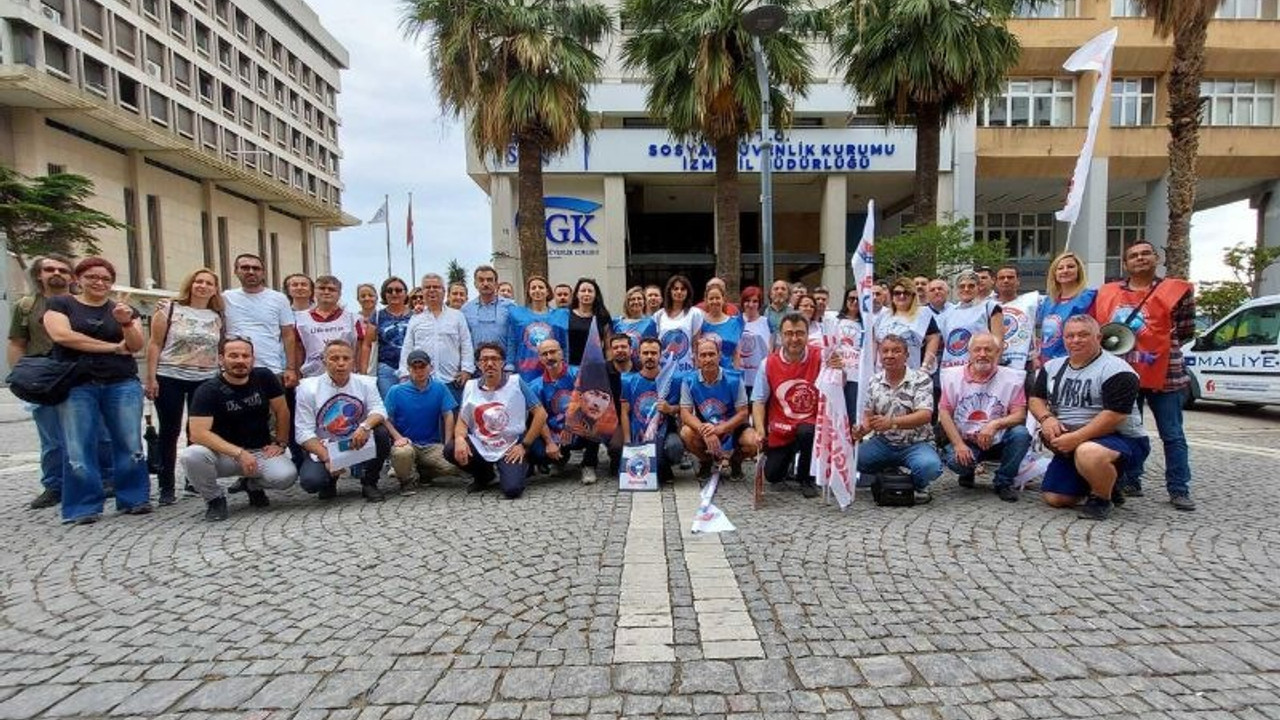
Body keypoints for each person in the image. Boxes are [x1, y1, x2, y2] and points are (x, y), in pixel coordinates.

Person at [42, 257, 151, 525]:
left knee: (130, 443)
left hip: (121, 381)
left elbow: (136, 344)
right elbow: (63, 336)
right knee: (78, 446)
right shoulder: (61, 304)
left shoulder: (124, 309)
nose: (99, 282)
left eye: (105, 278)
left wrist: (125, 323)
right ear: (77, 280)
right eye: (92, 277)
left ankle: (134, 498)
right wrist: (112, 347)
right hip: (77, 383)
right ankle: (83, 506)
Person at [1094, 239, 1196, 511]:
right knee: (1128, 429)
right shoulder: (1108, 292)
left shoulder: (1175, 291)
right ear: (1125, 264)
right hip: (1123, 373)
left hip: (1166, 372)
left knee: (1172, 433)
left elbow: (1186, 330)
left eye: (1146, 254)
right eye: (1134, 255)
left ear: (1156, 259)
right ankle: (1130, 479)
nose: (1140, 258)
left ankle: (1178, 487)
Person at [1028, 315, 1150, 520]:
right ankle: (1101, 481)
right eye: (1070, 336)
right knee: (1056, 498)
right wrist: (1046, 418)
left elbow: (1114, 416)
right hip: (1072, 442)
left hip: (1119, 439)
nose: (1076, 340)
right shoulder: (1052, 367)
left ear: (1098, 337)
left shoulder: (1117, 370)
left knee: (1089, 453)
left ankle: (1102, 498)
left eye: (1083, 335)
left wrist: (1076, 439)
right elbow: (1035, 399)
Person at [182, 337, 296, 521]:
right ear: (221, 359)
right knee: (191, 456)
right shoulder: (207, 390)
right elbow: (198, 433)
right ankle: (214, 498)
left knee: (286, 476)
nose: (240, 361)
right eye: (233, 356)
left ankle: (252, 484)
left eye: (245, 356)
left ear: (253, 358)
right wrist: (238, 453)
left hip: (259, 451)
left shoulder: (264, 377)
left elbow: (282, 410)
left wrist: (281, 442)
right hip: (222, 454)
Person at [144, 268, 225, 505]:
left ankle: (194, 480)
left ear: (214, 289)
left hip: (206, 378)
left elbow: (218, 348)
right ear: (190, 284)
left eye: (208, 283)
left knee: (198, 432)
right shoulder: (169, 309)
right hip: (170, 376)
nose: (202, 286)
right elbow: (154, 344)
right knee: (170, 431)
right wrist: (151, 378)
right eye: (198, 281)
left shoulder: (217, 315)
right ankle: (166, 485)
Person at [10, 255, 77, 509]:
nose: (56, 273)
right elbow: (17, 343)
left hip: (76, 374)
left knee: (90, 433)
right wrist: (21, 380)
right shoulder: (26, 306)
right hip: (43, 376)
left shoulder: (79, 303)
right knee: (51, 438)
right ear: (39, 275)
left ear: (72, 276)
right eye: (49, 269)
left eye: (63, 269)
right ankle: (54, 485)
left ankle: (101, 480)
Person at [937, 332, 1031, 502]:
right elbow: (944, 413)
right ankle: (968, 470)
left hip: (999, 439)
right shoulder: (952, 376)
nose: (982, 354)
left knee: (1021, 434)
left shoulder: (1012, 378)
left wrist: (994, 425)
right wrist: (958, 444)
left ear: (997, 353)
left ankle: (1003, 481)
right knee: (954, 460)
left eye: (988, 350)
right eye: (977, 350)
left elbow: (1019, 415)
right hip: (966, 439)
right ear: (969, 353)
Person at [447, 341, 547, 498]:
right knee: (451, 449)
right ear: (478, 364)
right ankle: (484, 475)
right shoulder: (470, 386)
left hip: (511, 444)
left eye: (494, 359)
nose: (489, 363)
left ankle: (523, 465)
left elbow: (540, 413)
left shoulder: (515, 382)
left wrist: (524, 445)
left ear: (502, 363)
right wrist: (459, 438)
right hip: (483, 442)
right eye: (484, 360)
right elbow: (462, 419)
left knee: (512, 490)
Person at [295, 339, 392, 502]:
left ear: (353, 361)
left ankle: (369, 482)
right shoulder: (307, 388)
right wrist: (327, 457)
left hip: (355, 442)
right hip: (326, 446)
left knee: (381, 433)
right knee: (311, 482)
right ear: (324, 361)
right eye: (334, 358)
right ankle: (329, 482)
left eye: (346, 359)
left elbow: (380, 410)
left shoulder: (365, 383)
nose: (341, 364)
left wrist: (365, 427)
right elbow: (302, 432)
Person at [852, 335, 942, 504]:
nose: (890, 355)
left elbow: (925, 415)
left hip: (916, 443)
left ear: (906, 355)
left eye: (896, 351)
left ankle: (918, 485)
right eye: (885, 351)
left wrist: (892, 422)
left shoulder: (921, 379)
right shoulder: (874, 381)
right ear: (879, 355)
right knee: (852, 458)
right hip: (884, 442)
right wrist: (861, 430)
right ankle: (891, 471)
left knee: (929, 467)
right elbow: (869, 417)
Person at [751, 313, 826, 497]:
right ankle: (789, 457)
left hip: (810, 424)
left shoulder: (821, 357)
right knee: (773, 476)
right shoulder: (768, 363)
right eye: (789, 333)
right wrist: (760, 430)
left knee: (806, 432)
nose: (794, 339)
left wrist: (838, 368)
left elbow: (839, 384)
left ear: (808, 335)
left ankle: (806, 477)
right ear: (780, 336)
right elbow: (759, 401)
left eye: (800, 333)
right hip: (782, 427)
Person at [679, 337, 759, 477]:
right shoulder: (688, 380)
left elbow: (743, 413)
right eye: (703, 355)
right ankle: (706, 461)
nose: (708, 359)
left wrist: (719, 429)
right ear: (697, 359)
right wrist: (705, 431)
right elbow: (685, 413)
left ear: (719, 356)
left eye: (711, 354)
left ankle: (736, 461)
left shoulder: (735, 379)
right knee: (686, 433)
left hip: (732, 427)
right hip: (705, 426)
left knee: (753, 442)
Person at [385, 350, 457, 494]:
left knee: (454, 465)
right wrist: (397, 437)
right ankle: (407, 481)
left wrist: (448, 444)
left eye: (422, 367)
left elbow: (448, 414)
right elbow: (384, 417)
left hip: (431, 444)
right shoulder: (396, 391)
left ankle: (425, 472)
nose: (419, 371)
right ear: (408, 369)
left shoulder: (440, 388)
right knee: (402, 454)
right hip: (406, 443)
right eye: (414, 368)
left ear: (430, 368)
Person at [530, 338, 601, 484]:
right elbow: (540, 417)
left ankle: (589, 464)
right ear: (540, 359)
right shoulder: (535, 386)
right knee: (537, 451)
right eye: (545, 354)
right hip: (554, 431)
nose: (549, 357)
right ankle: (560, 459)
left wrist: (571, 425)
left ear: (561, 353)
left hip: (579, 427)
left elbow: (594, 404)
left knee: (596, 418)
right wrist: (549, 442)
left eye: (553, 352)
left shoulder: (579, 374)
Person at [223, 254, 300, 387]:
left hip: (271, 369)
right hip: (233, 371)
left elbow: (288, 335)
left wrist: (291, 368)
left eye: (256, 268)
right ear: (236, 271)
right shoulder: (225, 298)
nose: (251, 272)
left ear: (263, 273)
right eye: (245, 268)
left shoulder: (279, 299)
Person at [400, 273, 474, 404]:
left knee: (452, 419)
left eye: (436, 287)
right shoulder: (415, 318)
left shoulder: (457, 316)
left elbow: (466, 344)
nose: (432, 290)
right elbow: (408, 347)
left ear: (444, 291)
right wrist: (404, 374)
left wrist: (466, 370)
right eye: (427, 287)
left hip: (452, 381)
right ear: (422, 291)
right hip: (422, 381)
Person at [621, 337, 686, 483]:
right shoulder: (628, 381)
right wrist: (626, 441)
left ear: (660, 355)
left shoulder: (673, 381)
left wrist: (670, 408)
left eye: (653, 353)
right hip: (638, 432)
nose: (649, 357)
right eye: (645, 353)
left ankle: (665, 465)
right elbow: (624, 413)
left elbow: (684, 410)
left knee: (674, 447)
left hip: (664, 432)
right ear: (638, 354)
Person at [295, 275, 370, 379]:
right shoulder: (300, 319)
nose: (326, 292)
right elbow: (298, 349)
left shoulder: (353, 319)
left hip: (346, 377)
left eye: (331, 289)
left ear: (339, 294)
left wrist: (362, 373)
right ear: (314, 292)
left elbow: (359, 348)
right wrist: (296, 374)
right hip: (312, 377)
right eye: (322, 288)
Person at [1038, 251, 1097, 363]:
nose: (1065, 271)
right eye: (1060, 268)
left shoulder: (1088, 298)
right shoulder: (1048, 301)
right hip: (1047, 364)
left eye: (1070, 267)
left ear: (1078, 271)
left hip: (1075, 362)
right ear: (1054, 273)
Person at [508, 275, 569, 383]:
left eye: (541, 287)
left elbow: (564, 344)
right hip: (526, 367)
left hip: (553, 366)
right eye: (533, 288)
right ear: (528, 292)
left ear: (547, 291)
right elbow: (512, 342)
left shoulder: (561, 315)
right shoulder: (517, 314)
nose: (537, 290)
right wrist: (509, 365)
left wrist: (566, 365)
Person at [938, 271, 1003, 370]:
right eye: (962, 286)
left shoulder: (989, 307)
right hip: (951, 368)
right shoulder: (947, 313)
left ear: (978, 287)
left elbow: (998, 342)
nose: (966, 289)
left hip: (980, 367)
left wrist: (994, 367)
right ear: (956, 289)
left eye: (971, 286)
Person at [874, 276, 941, 371]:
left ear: (913, 296)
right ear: (892, 296)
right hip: (883, 372)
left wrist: (926, 366)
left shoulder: (923, 314)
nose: (901, 296)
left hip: (911, 371)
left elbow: (933, 338)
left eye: (906, 293)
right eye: (897, 293)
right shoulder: (883, 316)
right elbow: (875, 342)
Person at [370, 276, 414, 397]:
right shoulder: (377, 316)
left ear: (405, 294)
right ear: (384, 294)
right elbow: (367, 345)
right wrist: (364, 373)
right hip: (386, 369)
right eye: (389, 291)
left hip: (413, 369)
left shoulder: (416, 316)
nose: (394, 293)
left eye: (399, 290)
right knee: (389, 407)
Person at [461, 265, 515, 358]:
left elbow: (514, 339)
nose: (485, 283)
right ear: (475, 284)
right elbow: (464, 342)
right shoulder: (466, 309)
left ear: (496, 284)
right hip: (476, 367)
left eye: (489, 280)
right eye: (481, 280)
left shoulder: (510, 307)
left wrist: (510, 365)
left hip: (504, 367)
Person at [655, 274, 704, 376]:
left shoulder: (694, 313)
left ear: (688, 292)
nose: (679, 292)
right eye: (675, 289)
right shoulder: (659, 315)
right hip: (663, 369)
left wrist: (697, 367)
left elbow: (696, 344)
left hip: (686, 369)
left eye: (683, 289)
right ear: (670, 291)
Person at [993, 264, 1039, 373]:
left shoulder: (1031, 301)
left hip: (1025, 363)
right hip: (996, 362)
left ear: (1018, 281)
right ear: (996, 282)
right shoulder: (987, 305)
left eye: (1010, 277)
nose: (1006, 280)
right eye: (1002, 278)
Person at [834, 287, 866, 417]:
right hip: (837, 373)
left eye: (858, 299)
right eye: (851, 298)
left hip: (856, 375)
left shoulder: (866, 324)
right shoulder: (835, 320)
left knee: (852, 413)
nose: (854, 302)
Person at [566, 277, 612, 368]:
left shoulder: (603, 316)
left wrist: (609, 367)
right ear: (576, 294)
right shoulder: (566, 315)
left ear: (595, 295)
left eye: (590, 291)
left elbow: (608, 347)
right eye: (583, 291)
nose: (586, 294)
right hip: (570, 367)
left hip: (595, 367)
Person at [738, 286, 772, 399]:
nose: (751, 304)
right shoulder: (735, 321)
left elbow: (771, 350)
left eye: (755, 301)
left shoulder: (767, 323)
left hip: (760, 377)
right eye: (747, 301)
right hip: (740, 378)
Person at [699, 284, 744, 369]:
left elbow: (737, 353)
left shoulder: (735, 322)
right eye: (711, 298)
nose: (714, 301)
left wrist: (736, 374)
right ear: (706, 301)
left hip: (729, 373)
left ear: (723, 299)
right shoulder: (700, 322)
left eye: (717, 298)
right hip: (705, 374)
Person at [612, 286, 657, 369]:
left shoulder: (650, 323)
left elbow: (653, 347)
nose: (636, 302)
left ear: (644, 302)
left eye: (639, 299)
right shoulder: (617, 322)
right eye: (632, 299)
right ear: (627, 303)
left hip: (641, 369)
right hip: (621, 368)